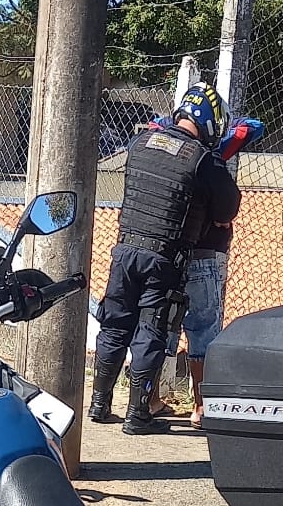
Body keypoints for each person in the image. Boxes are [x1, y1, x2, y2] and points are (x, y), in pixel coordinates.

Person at [89, 83, 240, 434]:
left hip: (124, 250)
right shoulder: (201, 158)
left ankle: (99, 403)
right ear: (210, 121)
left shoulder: (139, 143)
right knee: (150, 331)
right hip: (164, 257)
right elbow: (228, 207)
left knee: (114, 325)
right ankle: (138, 414)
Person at [155, 114, 266, 427]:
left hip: (170, 250)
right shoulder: (212, 155)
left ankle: (150, 399)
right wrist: (227, 133)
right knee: (203, 329)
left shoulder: (165, 149)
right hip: (206, 250)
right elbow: (252, 127)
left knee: (163, 325)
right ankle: (201, 407)